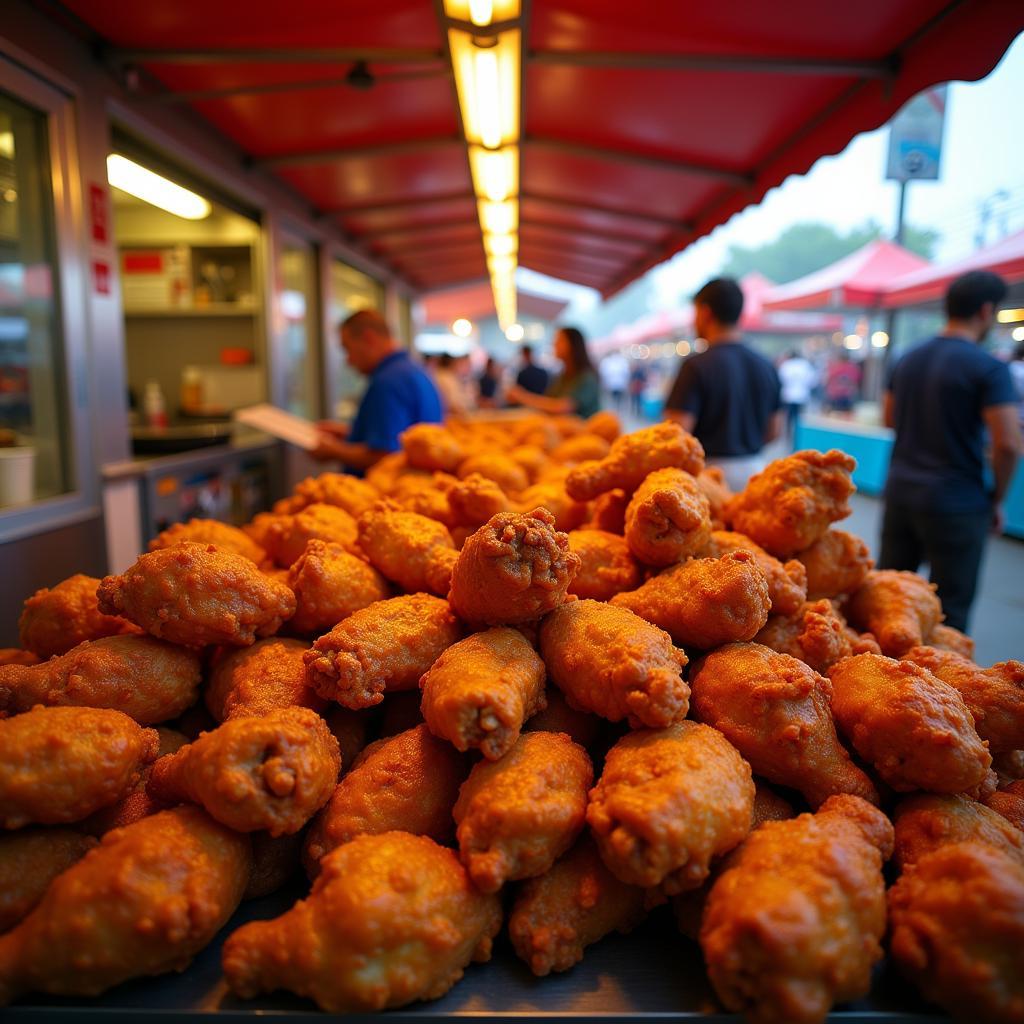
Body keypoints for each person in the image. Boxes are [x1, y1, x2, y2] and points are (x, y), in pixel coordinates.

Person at [879, 270, 1022, 633]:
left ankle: (881, 677)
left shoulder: (908, 359)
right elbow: (1007, 442)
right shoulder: (989, 368)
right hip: (957, 500)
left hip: (900, 492)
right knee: (949, 614)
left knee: (885, 601)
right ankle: (945, 686)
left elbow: (888, 418)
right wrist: (996, 500)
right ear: (986, 311)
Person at [664, 277, 782, 491]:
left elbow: (677, 433)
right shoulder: (767, 365)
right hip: (754, 473)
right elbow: (774, 431)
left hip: (707, 476)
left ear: (705, 312)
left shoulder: (695, 365)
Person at [312, 309, 442, 472]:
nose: (349, 361)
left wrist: (334, 451)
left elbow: (385, 455)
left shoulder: (388, 382)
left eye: (348, 349)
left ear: (369, 338)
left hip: (385, 492)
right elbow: (401, 434)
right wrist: (351, 434)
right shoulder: (413, 370)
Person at [506, 326, 601, 418]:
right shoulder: (563, 376)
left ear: (572, 345)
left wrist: (521, 396)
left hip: (584, 431)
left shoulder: (586, 377)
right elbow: (549, 401)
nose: (554, 344)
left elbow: (562, 408)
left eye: (559, 340)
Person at [777, 349, 817, 444]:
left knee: (789, 417)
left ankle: (788, 434)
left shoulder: (786, 365)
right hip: (802, 395)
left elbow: (780, 380)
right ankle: (798, 435)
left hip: (788, 395)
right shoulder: (805, 365)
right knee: (800, 417)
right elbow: (813, 380)